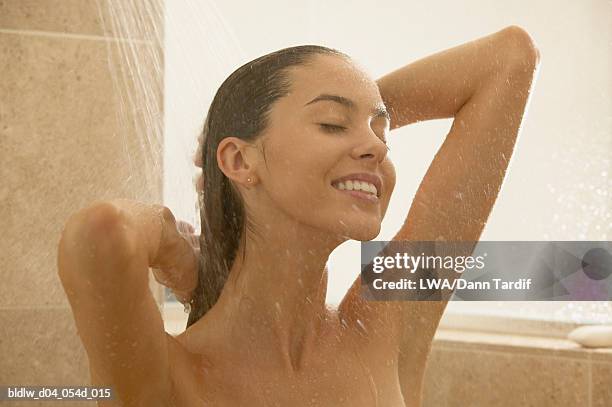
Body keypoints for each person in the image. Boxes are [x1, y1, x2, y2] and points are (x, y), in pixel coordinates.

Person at [57, 25, 540, 407]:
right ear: (239, 162)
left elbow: (510, 57)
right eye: (331, 123)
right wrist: (173, 249)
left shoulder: (388, 327)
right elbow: (103, 231)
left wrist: (356, 125)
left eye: (382, 133)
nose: (377, 145)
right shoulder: (167, 376)